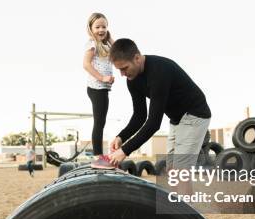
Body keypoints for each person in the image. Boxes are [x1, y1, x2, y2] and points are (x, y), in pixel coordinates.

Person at [107, 38, 211, 183]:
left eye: (124, 68)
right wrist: (121, 137)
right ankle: (179, 204)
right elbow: (139, 116)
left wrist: (124, 151)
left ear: (137, 58)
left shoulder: (159, 71)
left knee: (180, 174)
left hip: (195, 115)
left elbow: (154, 123)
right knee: (172, 172)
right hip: (176, 120)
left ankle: (182, 205)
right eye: (119, 70)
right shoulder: (132, 80)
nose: (122, 74)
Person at [82, 13, 115, 169]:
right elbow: (86, 65)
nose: (101, 29)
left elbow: (118, 51)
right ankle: (97, 158)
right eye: (97, 27)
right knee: (99, 123)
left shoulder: (105, 44)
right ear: (90, 28)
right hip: (97, 87)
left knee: (101, 122)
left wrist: (110, 38)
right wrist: (102, 78)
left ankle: (99, 157)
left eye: (104, 26)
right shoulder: (92, 44)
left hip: (102, 88)